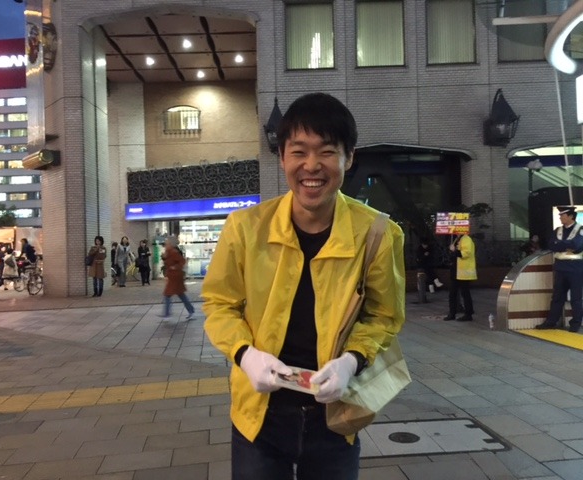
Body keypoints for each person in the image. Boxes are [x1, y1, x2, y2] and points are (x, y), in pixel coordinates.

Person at [202, 93, 405, 480]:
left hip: (337, 412)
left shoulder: (378, 233)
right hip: (258, 415)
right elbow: (219, 304)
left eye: (327, 152)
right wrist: (246, 355)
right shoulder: (244, 229)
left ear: (349, 157)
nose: (312, 165)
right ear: (282, 158)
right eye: (299, 151)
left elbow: (384, 316)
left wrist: (351, 362)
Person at [536, 206, 583, 333]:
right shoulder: (558, 230)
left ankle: (575, 324)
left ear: (571, 216)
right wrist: (566, 246)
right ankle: (551, 322)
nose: (560, 217)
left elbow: (577, 245)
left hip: (576, 268)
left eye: (562, 215)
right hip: (560, 268)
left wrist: (560, 244)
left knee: (576, 298)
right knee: (557, 297)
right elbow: (551, 245)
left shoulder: (580, 229)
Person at [443, 233, 477, 322]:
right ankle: (452, 313)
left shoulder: (466, 239)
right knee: (453, 293)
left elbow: (466, 253)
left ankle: (468, 314)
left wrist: (454, 250)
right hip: (456, 271)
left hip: (463, 272)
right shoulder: (457, 239)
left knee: (465, 293)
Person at [161, 235, 194, 318]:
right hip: (174, 276)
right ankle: (190, 310)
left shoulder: (173, 252)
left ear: (170, 244)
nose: (165, 244)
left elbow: (182, 261)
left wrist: (175, 267)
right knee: (180, 294)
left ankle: (167, 314)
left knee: (168, 294)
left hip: (175, 276)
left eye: (167, 243)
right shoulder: (168, 252)